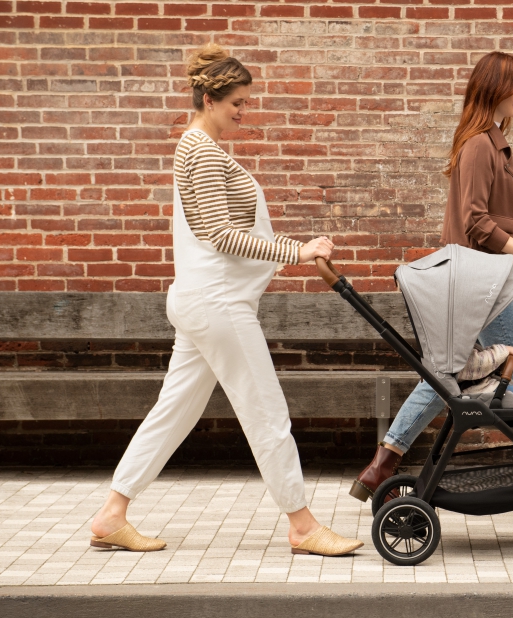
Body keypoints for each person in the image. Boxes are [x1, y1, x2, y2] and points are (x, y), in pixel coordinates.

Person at [89, 44, 362, 557]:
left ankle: (111, 514)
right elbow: (220, 232)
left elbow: (223, 231)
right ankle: (302, 526)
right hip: (218, 304)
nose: (244, 111)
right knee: (267, 412)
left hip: (201, 300)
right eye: (238, 102)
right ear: (210, 98)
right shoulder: (202, 151)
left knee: (173, 412)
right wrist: (296, 251)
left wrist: (290, 251)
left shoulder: (199, 148)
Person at [350, 51, 513, 513]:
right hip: (476, 280)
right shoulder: (478, 147)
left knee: (447, 375)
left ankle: (384, 461)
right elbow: (475, 222)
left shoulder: (490, 143)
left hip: (482, 278)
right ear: (498, 90)